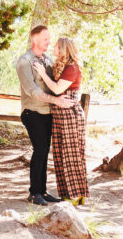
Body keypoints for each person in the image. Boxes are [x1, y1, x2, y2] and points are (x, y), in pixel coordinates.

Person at [15, 25, 76, 206]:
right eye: (45, 39)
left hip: (48, 113)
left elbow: (56, 83)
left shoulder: (48, 60)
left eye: (50, 39)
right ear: (34, 39)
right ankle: (34, 193)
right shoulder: (24, 62)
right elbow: (32, 91)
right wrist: (56, 101)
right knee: (40, 149)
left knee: (44, 151)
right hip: (32, 112)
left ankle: (42, 190)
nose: (49, 42)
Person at [34, 37, 89, 205]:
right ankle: (68, 194)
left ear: (64, 49)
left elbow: (58, 89)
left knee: (71, 154)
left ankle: (75, 195)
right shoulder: (64, 65)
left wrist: (42, 73)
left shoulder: (72, 68)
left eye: (57, 46)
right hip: (59, 114)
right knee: (60, 155)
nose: (53, 47)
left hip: (69, 113)